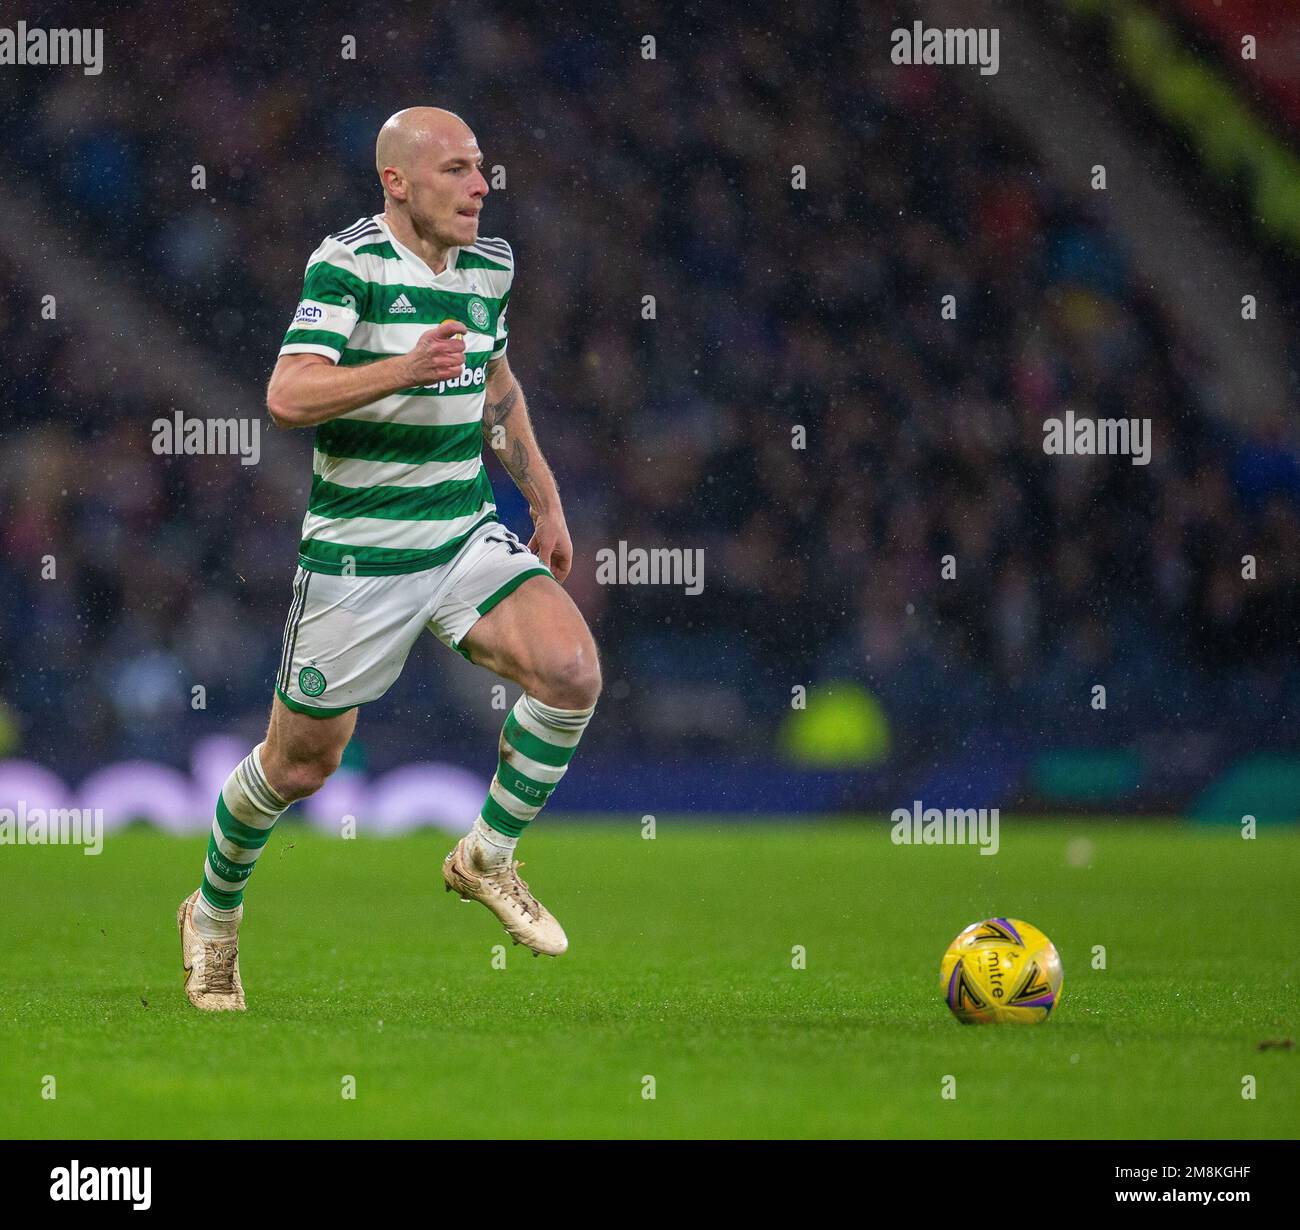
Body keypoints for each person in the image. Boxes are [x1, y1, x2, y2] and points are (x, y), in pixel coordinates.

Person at [177, 107, 601, 1010]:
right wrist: (399, 371)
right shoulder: (349, 264)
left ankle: (486, 856)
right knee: (300, 768)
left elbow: (498, 386)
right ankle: (212, 914)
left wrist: (547, 499)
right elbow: (288, 396)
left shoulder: (491, 266)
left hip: (461, 532)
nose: (481, 186)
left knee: (570, 671)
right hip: (361, 554)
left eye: (481, 168)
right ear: (397, 184)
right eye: (455, 171)